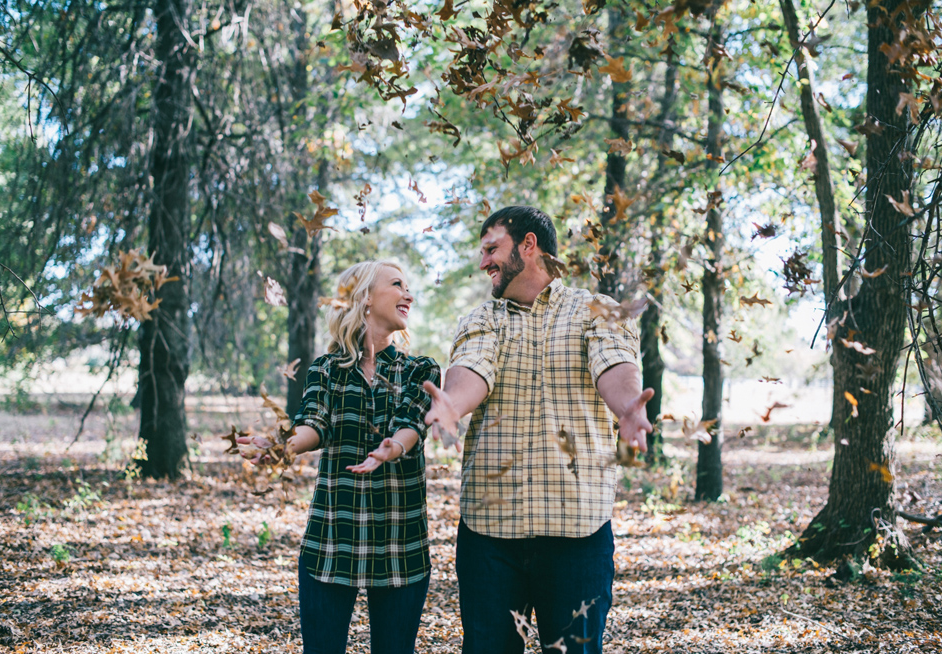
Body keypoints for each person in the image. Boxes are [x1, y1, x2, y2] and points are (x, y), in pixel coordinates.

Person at [423, 206, 654, 654]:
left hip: (577, 537)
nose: (483, 262)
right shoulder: (481, 319)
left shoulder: (597, 311)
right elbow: (473, 369)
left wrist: (628, 406)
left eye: (492, 249)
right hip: (490, 537)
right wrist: (452, 403)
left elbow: (613, 366)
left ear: (528, 245)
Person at [241, 260, 440, 654]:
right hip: (332, 541)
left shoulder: (420, 369)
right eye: (397, 284)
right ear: (365, 298)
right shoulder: (327, 370)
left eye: (408, 286)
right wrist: (282, 446)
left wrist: (393, 447)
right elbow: (313, 423)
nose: (409, 294)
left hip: (400, 543)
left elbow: (412, 423)